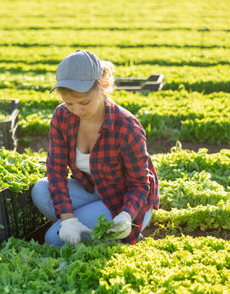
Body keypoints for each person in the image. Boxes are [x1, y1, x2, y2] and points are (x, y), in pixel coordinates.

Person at [31, 50, 159, 245]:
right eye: (69, 103)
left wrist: (126, 215)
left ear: (103, 87)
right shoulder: (63, 116)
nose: (77, 110)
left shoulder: (126, 127)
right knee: (40, 190)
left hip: (124, 200)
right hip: (93, 190)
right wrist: (68, 219)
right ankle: (89, 227)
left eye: (84, 102)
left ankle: (116, 231)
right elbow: (56, 171)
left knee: (52, 239)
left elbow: (140, 184)